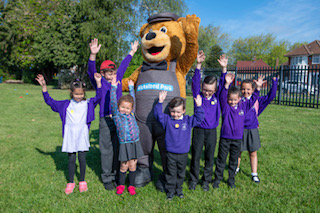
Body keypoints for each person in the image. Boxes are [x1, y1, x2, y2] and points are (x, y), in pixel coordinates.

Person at [35, 73, 102, 194]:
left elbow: (100, 96)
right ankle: (70, 182)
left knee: (82, 158)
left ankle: (82, 181)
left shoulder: (88, 103)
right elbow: (50, 101)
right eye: (76, 94)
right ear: (71, 92)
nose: (79, 96)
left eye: (81, 94)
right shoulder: (65, 105)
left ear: (84, 93)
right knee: (71, 159)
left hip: (82, 134)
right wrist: (44, 86)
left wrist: (98, 82)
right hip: (70, 135)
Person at [87, 38, 139, 190]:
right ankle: (107, 177)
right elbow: (91, 69)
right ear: (102, 73)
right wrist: (92, 55)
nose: (111, 76)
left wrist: (132, 52)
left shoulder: (118, 78)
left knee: (118, 147)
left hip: (120, 119)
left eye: (113, 73)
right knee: (106, 149)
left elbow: (124, 64)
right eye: (108, 73)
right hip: (105, 119)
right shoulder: (98, 80)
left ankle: (118, 174)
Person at [212, 74, 265, 189]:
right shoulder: (225, 106)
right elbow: (222, 95)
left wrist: (258, 88)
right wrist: (226, 84)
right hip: (225, 139)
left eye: (235, 99)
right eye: (230, 99)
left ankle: (231, 180)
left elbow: (254, 97)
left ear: (240, 99)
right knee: (221, 160)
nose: (232, 101)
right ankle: (217, 179)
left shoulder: (244, 106)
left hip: (237, 140)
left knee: (233, 161)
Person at [154, 91, 204, 200]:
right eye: (173, 112)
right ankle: (170, 191)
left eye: (178, 112)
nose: (175, 114)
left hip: (183, 153)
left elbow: (199, 119)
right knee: (170, 173)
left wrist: (199, 106)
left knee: (181, 173)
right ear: (169, 111)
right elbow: (158, 115)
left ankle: (179, 190)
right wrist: (160, 102)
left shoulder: (188, 120)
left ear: (184, 111)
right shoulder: (167, 120)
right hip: (170, 153)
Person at [189, 51, 227, 191]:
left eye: (210, 91)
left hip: (211, 132)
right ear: (202, 88)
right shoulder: (197, 96)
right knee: (196, 156)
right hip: (198, 131)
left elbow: (223, 86)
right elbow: (194, 82)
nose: (207, 93)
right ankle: (193, 180)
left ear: (215, 90)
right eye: (205, 90)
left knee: (210, 157)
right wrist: (198, 65)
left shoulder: (217, 98)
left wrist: (224, 69)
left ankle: (206, 181)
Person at [236, 77, 278, 183]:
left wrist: (274, 82)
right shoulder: (237, 100)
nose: (246, 91)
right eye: (243, 89)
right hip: (239, 130)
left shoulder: (258, 100)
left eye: (248, 89)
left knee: (253, 152)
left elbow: (271, 96)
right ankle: (235, 169)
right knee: (238, 151)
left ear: (253, 90)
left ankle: (254, 174)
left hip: (252, 130)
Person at [110, 78, 144, 195]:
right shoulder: (117, 116)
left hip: (134, 142)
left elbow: (133, 100)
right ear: (119, 107)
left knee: (133, 164)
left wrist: (131, 88)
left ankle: (131, 185)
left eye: (127, 108)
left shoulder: (132, 114)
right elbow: (113, 102)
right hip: (124, 144)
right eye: (122, 107)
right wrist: (113, 88)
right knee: (124, 165)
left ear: (131, 109)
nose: (125, 110)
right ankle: (120, 185)